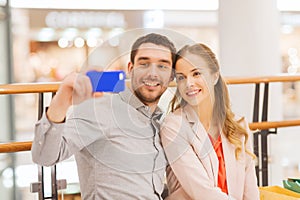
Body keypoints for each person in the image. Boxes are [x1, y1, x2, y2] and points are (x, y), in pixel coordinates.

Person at [31, 33, 176, 199]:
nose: (152, 73)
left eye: (162, 66)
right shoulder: (100, 107)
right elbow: (44, 156)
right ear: (130, 68)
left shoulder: (158, 121)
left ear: (171, 76)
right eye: (144, 64)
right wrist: (62, 101)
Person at [160, 43, 259, 200]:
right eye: (181, 77)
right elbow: (201, 191)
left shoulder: (238, 124)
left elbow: (250, 189)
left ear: (214, 76)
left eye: (196, 73)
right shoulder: (173, 126)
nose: (189, 83)